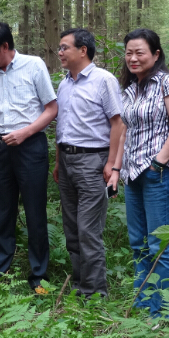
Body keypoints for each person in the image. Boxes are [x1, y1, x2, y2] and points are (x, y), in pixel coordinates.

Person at [0, 21, 58, 293]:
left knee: (35, 211)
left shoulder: (33, 65)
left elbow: (51, 108)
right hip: (0, 148)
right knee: (2, 211)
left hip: (30, 146)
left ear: (6, 46)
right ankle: (1, 275)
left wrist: (26, 133)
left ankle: (38, 277)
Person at [109, 28, 169, 316]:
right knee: (137, 242)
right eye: (129, 52)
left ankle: (163, 313)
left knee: (159, 244)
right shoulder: (129, 88)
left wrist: (158, 163)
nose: (133, 58)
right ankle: (142, 306)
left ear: (155, 54)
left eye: (139, 52)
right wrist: (116, 170)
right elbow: (124, 132)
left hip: (157, 174)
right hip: (132, 175)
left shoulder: (168, 82)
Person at [53, 28, 123, 298]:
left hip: (94, 161)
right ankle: (80, 285)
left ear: (83, 50)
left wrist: (111, 163)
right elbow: (63, 127)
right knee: (71, 228)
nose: (60, 52)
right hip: (68, 161)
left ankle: (95, 293)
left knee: (88, 229)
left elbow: (117, 122)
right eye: (59, 48)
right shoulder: (64, 84)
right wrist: (60, 162)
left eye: (64, 47)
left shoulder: (103, 80)